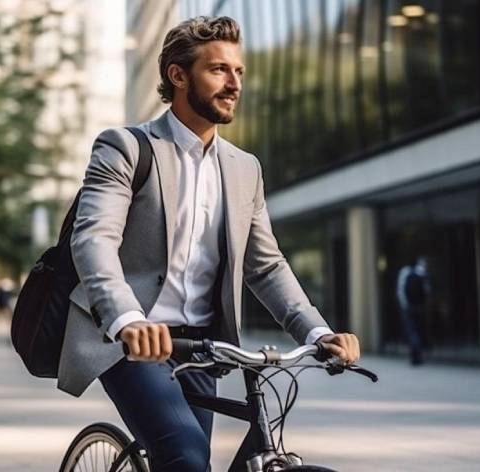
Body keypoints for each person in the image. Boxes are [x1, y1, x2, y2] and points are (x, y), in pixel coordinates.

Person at [56, 16, 360, 471]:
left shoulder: (244, 168)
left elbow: (266, 266)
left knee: (196, 458)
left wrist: (317, 333)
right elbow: (94, 238)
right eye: (218, 70)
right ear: (178, 76)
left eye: (239, 72)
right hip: (132, 340)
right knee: (188, 455)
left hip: (203, 349)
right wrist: (127, 319)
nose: (234, 83)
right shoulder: (126, 148)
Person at [396, 256, 430, 365]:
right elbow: (427, 290)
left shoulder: (405, 272)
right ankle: (418, 355)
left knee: (412, 331)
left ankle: (415, 356)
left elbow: (400, 291)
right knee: (418, 331)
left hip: (409, 307)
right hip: (419, 307)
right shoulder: (421, 273)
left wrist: (404, 305)